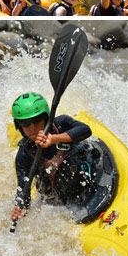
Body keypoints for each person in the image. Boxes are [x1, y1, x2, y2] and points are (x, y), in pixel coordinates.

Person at [10, 92, 94, 221]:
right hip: (61, 195)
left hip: (87, 178)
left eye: (37, 120)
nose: (32, 128)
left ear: (46, 118)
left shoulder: (61, 124)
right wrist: (21, 207)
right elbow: (23, 189)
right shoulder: (24, 154)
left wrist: (54, 139)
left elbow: (85, 130)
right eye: (25, 123)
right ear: (19, 126)